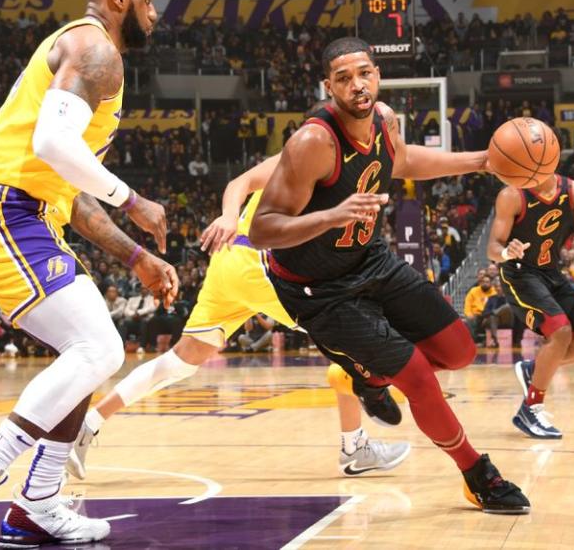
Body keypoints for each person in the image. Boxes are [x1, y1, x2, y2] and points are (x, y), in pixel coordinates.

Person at [0, 0, 179, 550]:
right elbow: (54, 144)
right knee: (98, 347)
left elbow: (70, 190)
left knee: (85, 355)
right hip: (3, 210)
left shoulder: (89, 55)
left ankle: (37, 502)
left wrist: (136, 256)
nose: (154, 12)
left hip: (30, 211)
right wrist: (133, 199)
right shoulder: (96, 50)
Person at [249, 37, 529, 514]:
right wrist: (331, 216)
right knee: (420, 378)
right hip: (318, 289)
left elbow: (401, 161)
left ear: (377, 74)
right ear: (328, 86)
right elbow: (261, 230)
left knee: (460, 350)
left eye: (364, 73)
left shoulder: (384, 119)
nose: (357, 84)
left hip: (371, 260)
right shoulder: (314, 142)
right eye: (343, 78)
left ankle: (371, 376)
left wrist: (480, 160)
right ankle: (477, 474)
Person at [69, 151, 411, 481]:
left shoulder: (322, 159)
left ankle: (88, 424)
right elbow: (244, 186)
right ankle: (354, 448)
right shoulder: (315, 153)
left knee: (182, 361)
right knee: (349, 337)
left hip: (231, 261)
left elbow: (242, 183)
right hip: (258, 262)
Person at [486, 170, 574, 439]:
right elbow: (492, 248)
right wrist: (507, 251)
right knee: (560, 331)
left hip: (551, 274)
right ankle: (530, 409)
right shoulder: (512, 195)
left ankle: (534, 370)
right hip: (518, 274)